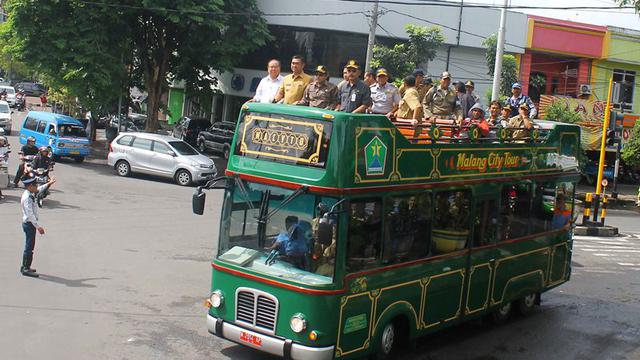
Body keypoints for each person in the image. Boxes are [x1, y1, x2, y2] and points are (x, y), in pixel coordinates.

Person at [20, 173, 56, 277]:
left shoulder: (31, 192)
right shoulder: (27, 198)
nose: (36, 187)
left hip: (31, 224)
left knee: (30, 246)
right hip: (29, 224)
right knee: (29, 247)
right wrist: (38, 227)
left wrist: (49, 183)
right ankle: (25, 268)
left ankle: (26, 266)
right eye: (35, 185)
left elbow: (40, 189)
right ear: (30, 186)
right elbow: (30, 215)